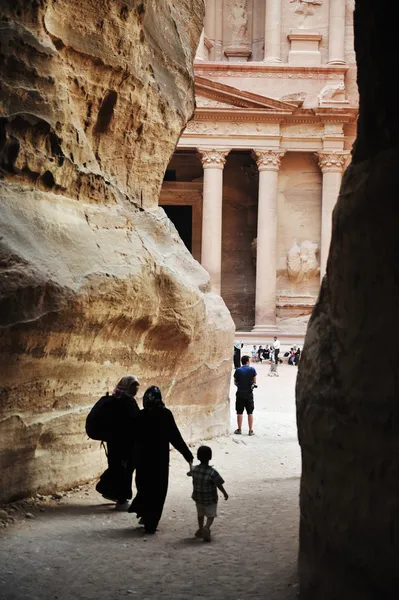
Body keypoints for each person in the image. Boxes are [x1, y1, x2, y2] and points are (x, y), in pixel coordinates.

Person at [128, 386, 193, 533]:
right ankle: (152, 522)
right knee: (158, 490)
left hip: (143, 461)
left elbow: (133, 440)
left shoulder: (141, 416)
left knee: (144, 487)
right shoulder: (165, 414)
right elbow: (175, 437)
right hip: (160, 461)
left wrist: (129, 461)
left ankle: (145, 515)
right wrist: (187, 455)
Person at [95, 375, 140, 511]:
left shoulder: (116, 398)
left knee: (116, 468)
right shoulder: (128, 402)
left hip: (114, 442)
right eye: (134, 386)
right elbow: (136, 421)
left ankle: (107, 490)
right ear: (128, 387)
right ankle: (121, 500)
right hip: (125, 444)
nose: (136, 389)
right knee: (125, 471)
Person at [188, 445, 228, 542]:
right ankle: (207, 527)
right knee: (211, 515)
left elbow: (189, 473)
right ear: (210, 457)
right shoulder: (212, 472)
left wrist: (190, 464)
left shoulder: (195, 470)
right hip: (210, 499)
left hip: (198, 497)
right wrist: (224, 493)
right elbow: (219, 484)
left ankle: (201, 528)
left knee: (200, 514)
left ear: (198, 457)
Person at [233, 355, 257, 436]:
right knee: (250, 412)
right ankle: (250, 430)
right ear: (247, 362)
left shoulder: (238, 370)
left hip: (240, 393)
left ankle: (239, 429)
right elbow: (254, 381)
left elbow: (235, 382)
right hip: (249, 394)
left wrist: (240, 386)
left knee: (239, 412)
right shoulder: (252, 369)